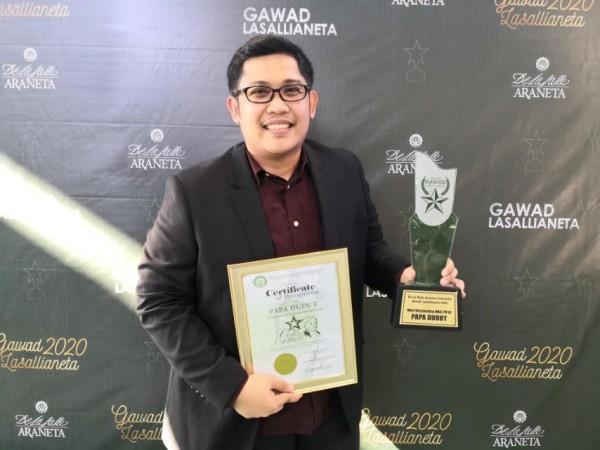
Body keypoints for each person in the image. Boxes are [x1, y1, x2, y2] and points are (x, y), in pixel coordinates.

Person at [136, 35, 465, 450]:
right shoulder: (194, 191)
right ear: (235, 108)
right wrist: (233, 387)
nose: (278, 106)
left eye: (292, 90)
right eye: (259, 92)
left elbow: (370, 252)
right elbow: (159, 301)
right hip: (237, 425)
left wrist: (409, 276)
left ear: (311, 102)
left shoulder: (344, 170)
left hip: (329, 417)